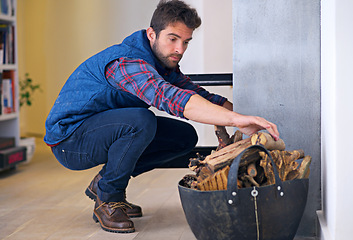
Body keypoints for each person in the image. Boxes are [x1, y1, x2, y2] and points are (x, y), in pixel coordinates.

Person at [44, 0, 279, 234]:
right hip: (70, 140)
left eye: (186, 42)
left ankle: (103, 183)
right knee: (140, 121)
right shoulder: (126, 62)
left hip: (101, 130)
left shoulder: (162, 62)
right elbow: (165, 96)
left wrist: (240, 114)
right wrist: (234, 120)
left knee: (184, 136)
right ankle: (109, 198)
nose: (180, 49)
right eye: (173, 39)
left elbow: (194, 93)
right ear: (151, 34)